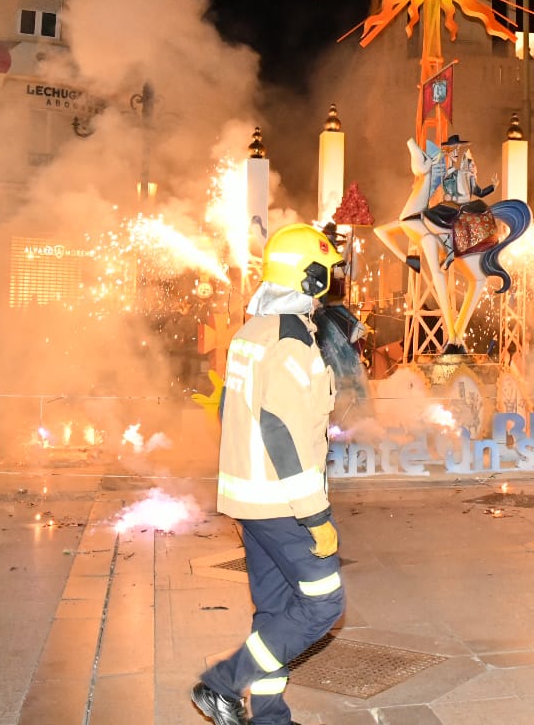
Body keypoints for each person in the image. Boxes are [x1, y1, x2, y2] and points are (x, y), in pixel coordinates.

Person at [192, 223, 345, 725]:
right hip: (283, 506)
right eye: (329, 275)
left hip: (248, 501)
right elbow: (283, 432)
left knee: (277, 611)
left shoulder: (250, 332)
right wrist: (316, 516)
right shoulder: (290, 342)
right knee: (324, 605)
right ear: (311, 278)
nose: (332, 286)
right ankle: (221, 684)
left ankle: (270, 718)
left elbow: (229, 415)